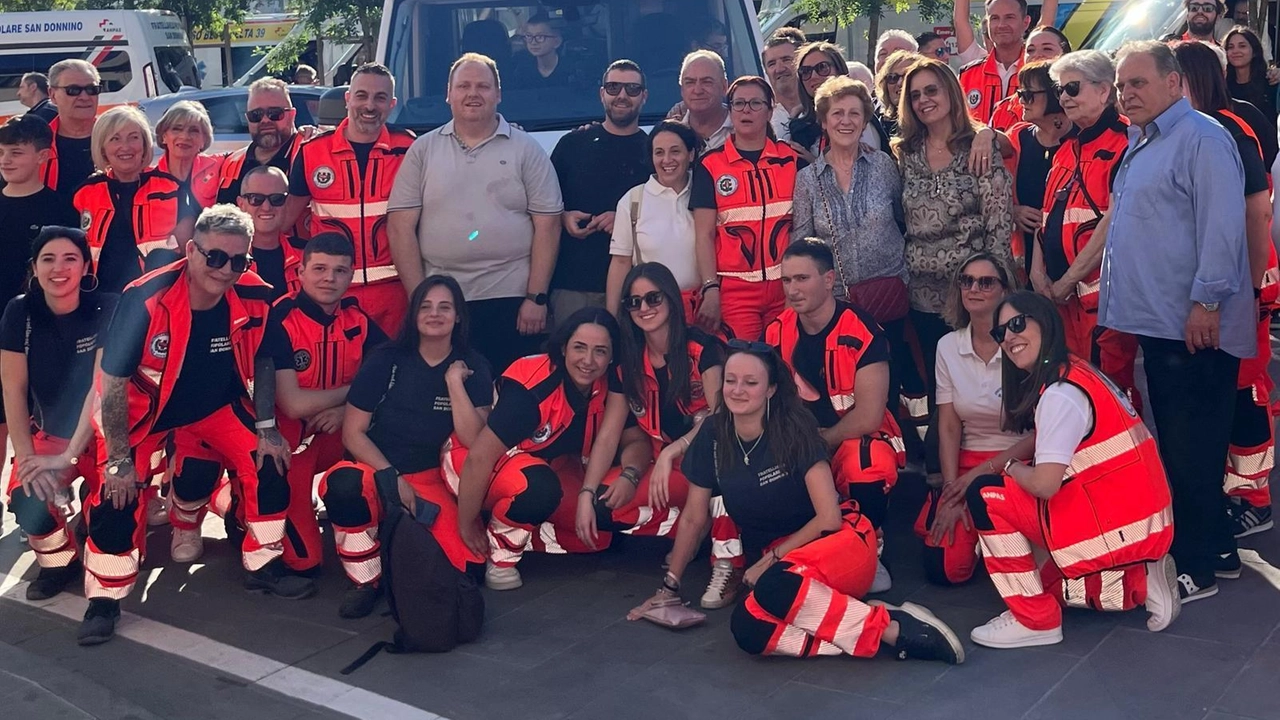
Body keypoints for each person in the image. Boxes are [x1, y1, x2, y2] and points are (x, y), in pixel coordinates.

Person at [629, 341, 964, 665]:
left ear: (771, 389)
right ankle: (865, 627)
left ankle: (894, 631)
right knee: (747, 628)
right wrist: (669, 586)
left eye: (750, 382)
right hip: (789, 566)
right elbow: (693, 519)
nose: (737, 390)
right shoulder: (713, 434)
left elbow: (829, 518)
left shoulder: (794, 428)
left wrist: (773, 558)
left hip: (839, 543)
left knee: (774, 585)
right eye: (730, 381)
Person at [79, 205, 307, 646]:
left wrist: (266, 426)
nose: (225, 271)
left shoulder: (257, 293)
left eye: (238, 261)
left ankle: (263, 565)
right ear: (190, 249)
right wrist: (120, 459)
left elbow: (262, 357)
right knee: (116, 497)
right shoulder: (144, 297)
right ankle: (104, 600)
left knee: (272, 463)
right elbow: (113, 383)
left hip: (216, 407)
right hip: (145, 413)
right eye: (215, 257)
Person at [1104, 40, 1253, 602]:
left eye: (1137, 82)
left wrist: (1207, 303)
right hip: (1161, 322)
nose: (1127, 94)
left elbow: (1223, 228)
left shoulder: (1202, 139)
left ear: (1174, 84)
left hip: (1191, 325)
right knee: (1190, 442)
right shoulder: (1144, 141)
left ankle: (1195, 567)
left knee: (1191, 448)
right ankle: (1217, 548)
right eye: (1122, 85)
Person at [967, 291, 1180, 647]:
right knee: (1055, 583)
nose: (1009, 338)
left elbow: (1045, 484)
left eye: (1017, 324)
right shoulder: (1078, 372)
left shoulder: (1059, 394)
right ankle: (1140, 579)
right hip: (1137, 517)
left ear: (1045, 323)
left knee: (986, 496)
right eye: (1000, 333)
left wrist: (1011, 468)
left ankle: (1035, 620)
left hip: (1111, 524)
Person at [321, 274, 491, 615]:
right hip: (376, 470)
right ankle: (365, 580)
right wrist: (392, 477)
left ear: (458, 315)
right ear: (413, 314)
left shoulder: (473, 365)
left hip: (432, 481)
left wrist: (454, 382)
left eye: (445, 307)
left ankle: (392, 546)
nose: (435, 314)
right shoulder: (386, 359)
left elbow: (474, 440)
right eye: (425, 306)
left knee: (470, 572)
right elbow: (352, 433)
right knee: (344, 485)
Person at [387, 53, 562, 374]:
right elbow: (400, 228)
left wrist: (536, 298)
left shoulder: (526, 149)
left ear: (498, 94)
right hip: (444, 301)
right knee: (445, 401)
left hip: (512, 299)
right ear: (448, 93)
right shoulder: (422, 151)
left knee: (507, 400)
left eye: (483, 86)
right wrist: (421, 302)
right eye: (463, 85)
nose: (473, 93)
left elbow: (548, 226)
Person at [1172, 40, 1279, 545]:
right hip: (1224, 281)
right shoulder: (1194, 130)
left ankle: (1253, 498)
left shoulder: (1226, 130)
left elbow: (1257, 212)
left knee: (1245, 389)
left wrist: (1253, 289)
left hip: (1242, 283)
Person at [764, 239, 904, 591]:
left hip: (849, 439)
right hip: (798, 442)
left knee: (866, 460)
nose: (793, 290)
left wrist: (820, 442)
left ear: (828, 280)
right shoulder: (776, 331)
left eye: (802, 279)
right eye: (786, 281)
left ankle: (870, 551)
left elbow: (870, 416)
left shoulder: (862, 330)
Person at [450, 308, 620, 590]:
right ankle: (501, 558)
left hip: (541, 467)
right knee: (538, 488)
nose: (589, 361)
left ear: (612, 356)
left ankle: (520, 532)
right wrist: (467, 524)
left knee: (596, 536)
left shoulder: (608, 385)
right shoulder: (534, 387)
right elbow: (479, 456)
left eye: (600, 351)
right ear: (564, 348)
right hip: (473, 462)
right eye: (580, 348)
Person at [252, 232, 389, 580]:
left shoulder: (357, 320)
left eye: (340, 271)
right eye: (320, 269)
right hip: (290, 444)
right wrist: (353, 393)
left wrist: (347, 412)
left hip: (341, 431)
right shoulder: (280, 318)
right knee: (305, 561)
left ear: (352, 274)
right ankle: (236, 500)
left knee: (389, 443)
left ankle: (365, 525)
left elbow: (393, 374)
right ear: (300, 271)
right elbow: (294, 404)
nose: (329, 278)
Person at [605, 262, 737, 607]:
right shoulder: (628, 360)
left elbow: (720, 418)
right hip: (669, 466)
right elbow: (609, 433)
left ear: (672, 301)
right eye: (633, 302)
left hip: (714, 458)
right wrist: (592, 488)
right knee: (606, 508)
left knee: (719, 475)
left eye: (652, 298)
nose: (643, 308)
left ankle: (726, 563)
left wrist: (670, 452)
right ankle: (690, 533)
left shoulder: (703, 348)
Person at [1, 227, 116, 600]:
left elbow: (99, 393)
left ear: (86, 267)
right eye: (48, 259)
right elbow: (13, 392)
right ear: (34, 268)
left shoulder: (108, 308)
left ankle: (92, 530)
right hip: (48, 435)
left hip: (102, 437)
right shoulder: (20, 311)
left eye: (70, 258)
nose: (59, 268)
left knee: (114, 513)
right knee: (28, 496)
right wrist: (29, 458)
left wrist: (66, 458)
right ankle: (59, 563)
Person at [791, 76, 911, 430]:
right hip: (838, 304)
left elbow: (904, 221)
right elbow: (802, 240)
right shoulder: (808, 180)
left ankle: (900, 450)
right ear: (824, 121)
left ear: (864, 119)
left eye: (854, 113)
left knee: (895, 381)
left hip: (888, 295)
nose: (846, 121)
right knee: (846, 388)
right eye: (837, 113)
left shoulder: (885, 167)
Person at [895, 57, 1014, 407]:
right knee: (941, 393)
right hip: (922, 294)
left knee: (983, 389)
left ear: (950, 91)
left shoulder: (975, 146)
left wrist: (997, 286)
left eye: (931, 90)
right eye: (915, 95)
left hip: (973, 292)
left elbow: (998, 221)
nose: (923, 100)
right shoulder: (905, 154)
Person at [1033, 50, 1140, 412]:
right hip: (1060, 299)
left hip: (1100, 303)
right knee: (1068, 389)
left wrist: (1066, 281)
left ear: (1104, 91)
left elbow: (1113, 223)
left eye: (1073, 88)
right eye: (1061, 90)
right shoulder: (1067, 149)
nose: (1064, 98)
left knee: (1109, 393)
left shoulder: (1127, 143)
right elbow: (1045, 218)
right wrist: (1038, 274)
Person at [917, 253, 1031, 586]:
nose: (974, 288)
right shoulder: (947, 346)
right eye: (966, 281)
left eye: (985, 282)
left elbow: (1041, 434)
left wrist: (979, 476)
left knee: (1025, 566)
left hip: (1018, 464)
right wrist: (953, 492)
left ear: (1006, 291)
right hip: (966, 464)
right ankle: (974, 528)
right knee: (943, 570)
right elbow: (949, 426)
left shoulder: (1025, 344)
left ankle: (990, 533)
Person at [286, 63, 415, 333]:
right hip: (333, 300)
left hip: (396, 301)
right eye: (361, 95)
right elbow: (283, 224)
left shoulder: (409, 149)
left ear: (391, 104)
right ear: (347, 99)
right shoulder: (312, 152)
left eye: (380, 98)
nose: (370, 106)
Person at [691, 76, 799, 341]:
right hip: (735, 292)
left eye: (754, 103)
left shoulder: (792, 160)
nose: (746, 110)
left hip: (787, 286)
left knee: (785, 364)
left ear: (770, 111)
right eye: (738, 104)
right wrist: (710, 289)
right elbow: (703, 235)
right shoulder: (710, 165)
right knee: (743, 367)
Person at [549, 60, 653, 326]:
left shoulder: (655, 152)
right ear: (601, 93)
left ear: (644, 96)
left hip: (635, 288)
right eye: (613, 87)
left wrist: (622, 220)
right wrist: (563, 216)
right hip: (572, 284)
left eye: (631, 89)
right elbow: (541, 205)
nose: (621, 95)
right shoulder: (571, 144)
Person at [74, 106, 196, 294]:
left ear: (145, 144)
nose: (126, 146)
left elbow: (189, 253)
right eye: (115, 138)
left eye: (133, 137)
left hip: (158, 297)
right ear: (103, 148)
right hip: (99, 299)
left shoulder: (171, 188)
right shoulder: (85, 192)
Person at [606, 121, 700, 318]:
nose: (667, 160)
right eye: (659, 152)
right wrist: (612, 319)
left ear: (690, 154)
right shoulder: (632, 200)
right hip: (652, 312)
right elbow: (621, 263)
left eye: (675, 151)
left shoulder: (706, 192)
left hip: (702, 310)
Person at [1007, 60, 1072, 276]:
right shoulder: (1018, 137)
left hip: (1072, 261)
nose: (1022, 100)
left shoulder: (1082, 138)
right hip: (1026, 264)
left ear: (1055, 94)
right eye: (1020, 93)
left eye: (1029, 94)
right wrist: (1013, 211)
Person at [216, 78, 308, 206]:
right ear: (247, 119)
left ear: (292, 115)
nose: (265, 120)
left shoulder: (308, 154)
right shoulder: (231, 162)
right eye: (256, 115)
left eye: (274, 113)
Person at [956, 0, 1032, 126]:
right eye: (995, 18)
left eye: (1009, 17)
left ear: (1025, 22)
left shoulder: (1036, 73)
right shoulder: (968, 75)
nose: (1001, 25)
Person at [987, 26, 1072, 132]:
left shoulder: (1076, 103)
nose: (1037, 55)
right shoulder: (1003, 108)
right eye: (1030, 50)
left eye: (1047, 49)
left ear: (1066, 56)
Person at [237, 166, 303, 301]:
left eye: (276, 199)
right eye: (256, 199)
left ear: (288, 203)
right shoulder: (226, 258)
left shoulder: (307, 256)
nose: (266, 207)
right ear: (241, 204)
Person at [42, 59, 102, 202]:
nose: (85, 97)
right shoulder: (36, 142)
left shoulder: (115, 139)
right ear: (52, 95)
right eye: (73, 90)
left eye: (91, 89)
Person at [154, 100, 224, 210]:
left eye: (194, 130)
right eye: (177, 129)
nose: (185, 136)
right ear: (164, 136)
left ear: (204, 139)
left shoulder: (222, 167)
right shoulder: (148, 179)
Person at [789, 42, 851, 159]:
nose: (813, 76)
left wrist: (814, 166)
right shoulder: (800, 127)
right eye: (806, 71)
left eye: (822, 68)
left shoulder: (860, 117)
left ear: (839, 70)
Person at [677, 51, 732, 151]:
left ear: (724, 87)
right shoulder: (671, 135)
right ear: (682, 89)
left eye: (707, 82)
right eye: (690, 82)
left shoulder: (744, 129)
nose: (697, 90)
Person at [1225, 26, 1278, 130]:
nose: (1235, 51)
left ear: (1254, 51)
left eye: (1242, 46)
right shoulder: (1223, 86)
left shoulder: (1270, 81)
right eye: (1230, 47)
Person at [762, 28, 808, 141]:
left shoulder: (821, 109)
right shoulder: (761, 115)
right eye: (772, 64)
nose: (779, 69)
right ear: (766, 71)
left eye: (786, 60)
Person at [510, 14, 578, 89]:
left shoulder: (572, 70)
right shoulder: (522, 69)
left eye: (540, 37)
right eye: (528, 36)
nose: (533, 42)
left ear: (557, 42)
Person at [874, 49, 918, 140]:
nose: (900, 83)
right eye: (893, 78)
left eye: (907, 76)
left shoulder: (929, 125)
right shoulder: (877, 126)